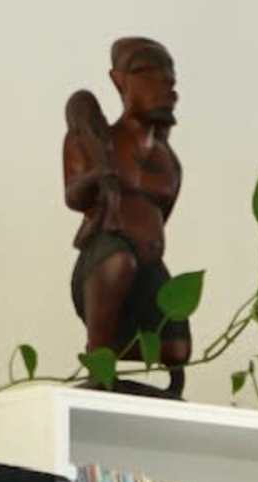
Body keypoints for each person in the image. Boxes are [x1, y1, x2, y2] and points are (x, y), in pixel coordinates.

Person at [63, 38, 187, 396]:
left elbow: (161, 216)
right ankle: (99, 357)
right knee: (119, 260)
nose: (165, 87)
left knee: (177, 350)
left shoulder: (169, 162)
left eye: (169, 79)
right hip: (104, 264)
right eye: (148, 73)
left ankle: (151, 373)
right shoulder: (94, 142)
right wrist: (97, 177)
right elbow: (74, 196)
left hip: (148, 267)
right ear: (119, 81)